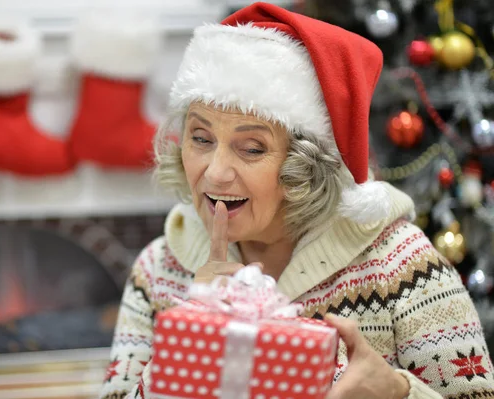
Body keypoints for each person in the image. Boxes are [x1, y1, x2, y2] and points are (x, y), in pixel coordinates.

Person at [99, 3, 494, 399]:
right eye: (200, 139)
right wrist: (192, 334)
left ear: (307, 165)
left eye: (252, 148)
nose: (215, 172)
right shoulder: (159, 269)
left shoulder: (401, 267)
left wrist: (396, 392)